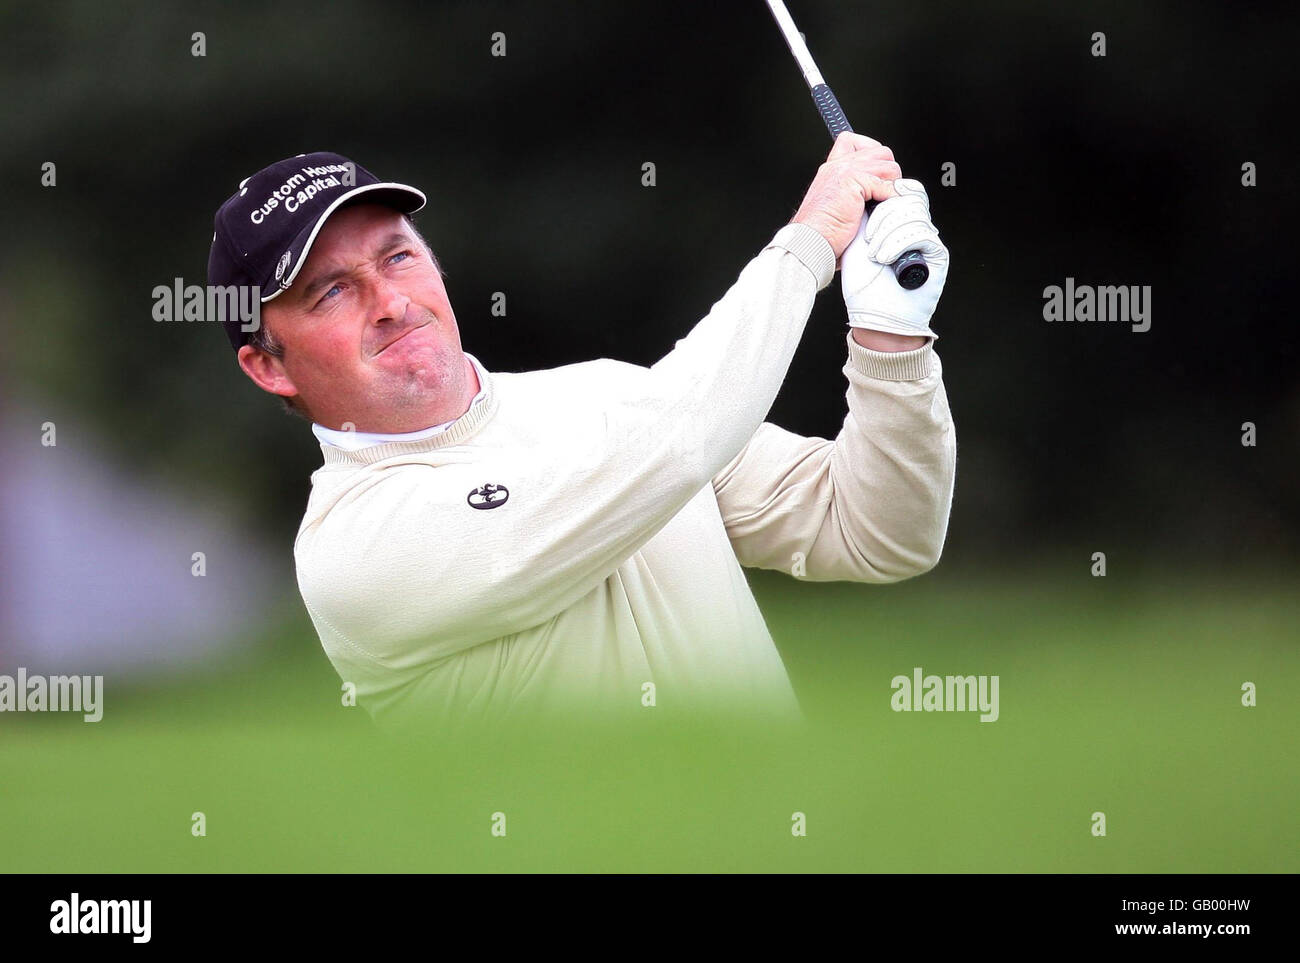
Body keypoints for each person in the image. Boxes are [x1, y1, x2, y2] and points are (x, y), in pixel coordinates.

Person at [207, 137, 956, 731]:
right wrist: (806, 246)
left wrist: (891, 337)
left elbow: (877, 533)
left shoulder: (610, 393)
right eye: (330, 291)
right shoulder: (354, 548)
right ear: (269, 367)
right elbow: (675, 443)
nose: (390, 302)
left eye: (397, 256)